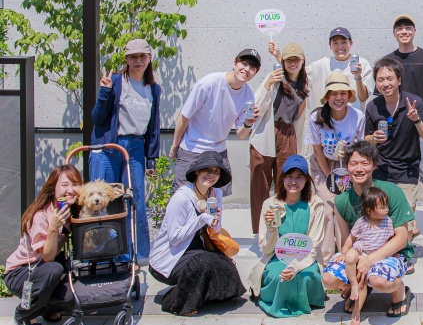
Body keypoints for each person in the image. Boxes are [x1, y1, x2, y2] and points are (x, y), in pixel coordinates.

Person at [322, 142, 416, 318]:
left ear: (374, 165)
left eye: (364, 163)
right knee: (329, 280)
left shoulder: (391, 192)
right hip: (360, 253)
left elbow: (402, 238)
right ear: (347, 166)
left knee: (380, 281)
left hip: (391, 253)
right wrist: (353, 269)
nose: (359, 169)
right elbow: (346, 240)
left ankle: (399, 289)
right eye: (353, 163)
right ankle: (359, 287)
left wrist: (370, 260)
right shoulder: (341, 201)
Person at [149, 151, 246, 316]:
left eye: (216, 171)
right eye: (207, 170)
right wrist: (200, 219)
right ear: (197, 171)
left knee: (226, 268)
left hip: (197, 249)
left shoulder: (215, 194)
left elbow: (215, 230)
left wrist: (214, 220)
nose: (211, 175)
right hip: (171, 257)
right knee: (204, 263)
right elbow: (174, 238)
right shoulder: (182, 198)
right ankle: (177, 302)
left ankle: (198, 294)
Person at [90, 38, 161, 260]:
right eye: (133, 57)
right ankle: (102, 254)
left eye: (142, 56)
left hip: (136, 146)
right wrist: (104, 92)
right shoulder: (116, 82)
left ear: (149, 58)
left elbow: (154, 125)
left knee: (134, 198)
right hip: (109, 146)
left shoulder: (153, 89)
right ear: (126, 59)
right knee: (103, 198)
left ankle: (137, 254)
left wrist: (151, 157)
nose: (138, 61)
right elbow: (97, 118)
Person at [365, 57, 423, 271]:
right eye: (380, 80)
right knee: (379, 214)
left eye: (389, 79)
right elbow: (365, 138)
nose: (385, 84)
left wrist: (416, 120)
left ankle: (404, 255)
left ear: (399, 80)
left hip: (407, 168)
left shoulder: (415, 102)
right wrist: (373, 139)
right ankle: (383, 253)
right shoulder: (373, 106)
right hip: (380, 169)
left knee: (404, 217)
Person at [384, 15, 423, 243]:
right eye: (399, 28)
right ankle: (410, 222)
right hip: (399, 129)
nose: (404, 31)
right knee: (404, 181)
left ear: (415, 31)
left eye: (408, 27)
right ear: (394, 33)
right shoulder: (389, 60)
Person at [169, 48, 260, 196]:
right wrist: (175, 146)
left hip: (218, 152)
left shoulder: (248, 95)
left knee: (214, 198)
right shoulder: (208, 84)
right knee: (184, 196)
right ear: (235, 63)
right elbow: (184, 117)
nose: (247, 69)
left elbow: (241, 135)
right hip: (192, 149)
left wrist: (248, 123)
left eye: (252, 68)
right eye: (244, 64)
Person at [4, 165, 81, 325]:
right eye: (65, 185)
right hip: (21, 272)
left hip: (43, 270)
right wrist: (53, 228)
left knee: (70, 297)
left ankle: (45, 309)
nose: (70, 190)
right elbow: (47, 257)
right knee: (54, 268)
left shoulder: (69, 211)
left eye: (75, 184)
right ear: (53, 188)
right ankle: (24, 314)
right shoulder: (40, 215)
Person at [249, 155, 327, 318]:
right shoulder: (270, 204)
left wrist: (295, 267)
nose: (293, 182)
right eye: (289, 176)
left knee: (304, 276)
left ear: (306, 180)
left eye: (299, 177)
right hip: (277, 257)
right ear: (282, 179)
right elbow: (266, 248)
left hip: (306, 257)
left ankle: (301, 298)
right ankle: (279, 302)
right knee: (279, 276)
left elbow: (314, 244)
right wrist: (271, 228)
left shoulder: (316, 205)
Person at [249, 42, 309, 231]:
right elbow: (256, 105)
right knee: (260, 184)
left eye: (296, 59)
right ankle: (261, 231)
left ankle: (285, 227)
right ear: (283, 61)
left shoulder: (305, 82)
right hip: (266, 131)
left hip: (288, 134)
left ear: (303, 60)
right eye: (288, 60)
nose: (292, 63)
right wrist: (268, 83)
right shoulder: (275, 77)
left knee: (287, 179)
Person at [305, 71, 365, 256]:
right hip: (322, 166)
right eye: (333, 93)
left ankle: (344, 254)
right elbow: (317, 151)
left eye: (343, 93)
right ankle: (326, 257)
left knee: (343, 207)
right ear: (327, 97)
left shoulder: (357, 116)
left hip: (346, 167)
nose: (338, 98)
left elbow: (361, 147)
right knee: (327, 207)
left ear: (349, 95)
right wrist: (331, 180)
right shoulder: (316, 117)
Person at [340, 186, 394, 325]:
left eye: (386, 206)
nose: (386, 209)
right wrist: (344, 252)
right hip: (361, 251)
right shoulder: (362, 222)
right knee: (350, 257)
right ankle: (353, 284)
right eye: (382, 207)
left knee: (362, 282)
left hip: (376, 256)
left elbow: (390, 240)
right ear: (369, 210)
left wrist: (393, 254)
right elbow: (351, 238)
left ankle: (356, 312)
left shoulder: (387, 221)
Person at [307, 27, 374, 112]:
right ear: (330, 45)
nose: (340, 47)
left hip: (354, 117)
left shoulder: (362, 64)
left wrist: (358, 77)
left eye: (344, 42)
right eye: (335, 43)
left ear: (351, 43)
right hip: (325, 118)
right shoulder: (320, 65)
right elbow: (299, 79)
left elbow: (363, 97)